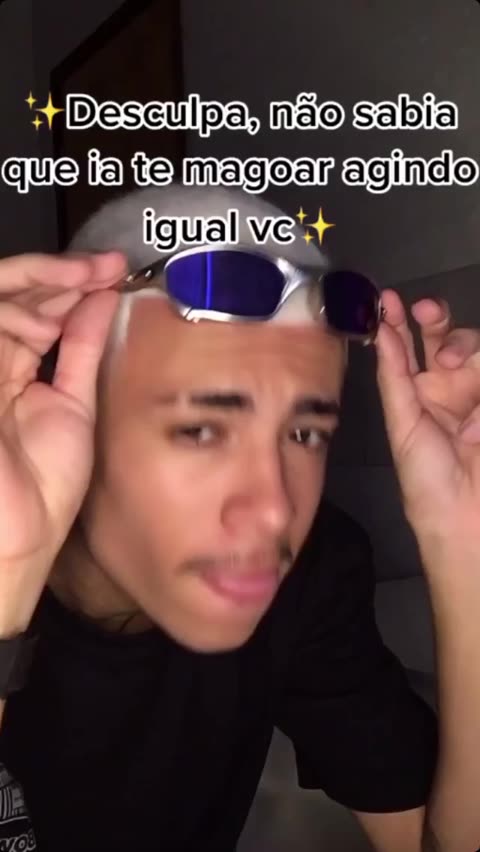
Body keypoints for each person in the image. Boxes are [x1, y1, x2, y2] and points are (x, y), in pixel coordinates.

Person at [0, 185, 479, 852]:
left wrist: (463, 546)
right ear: (65, 406)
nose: (275, 507)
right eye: (200, 429)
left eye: (305, 433)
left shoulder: (312, 574)